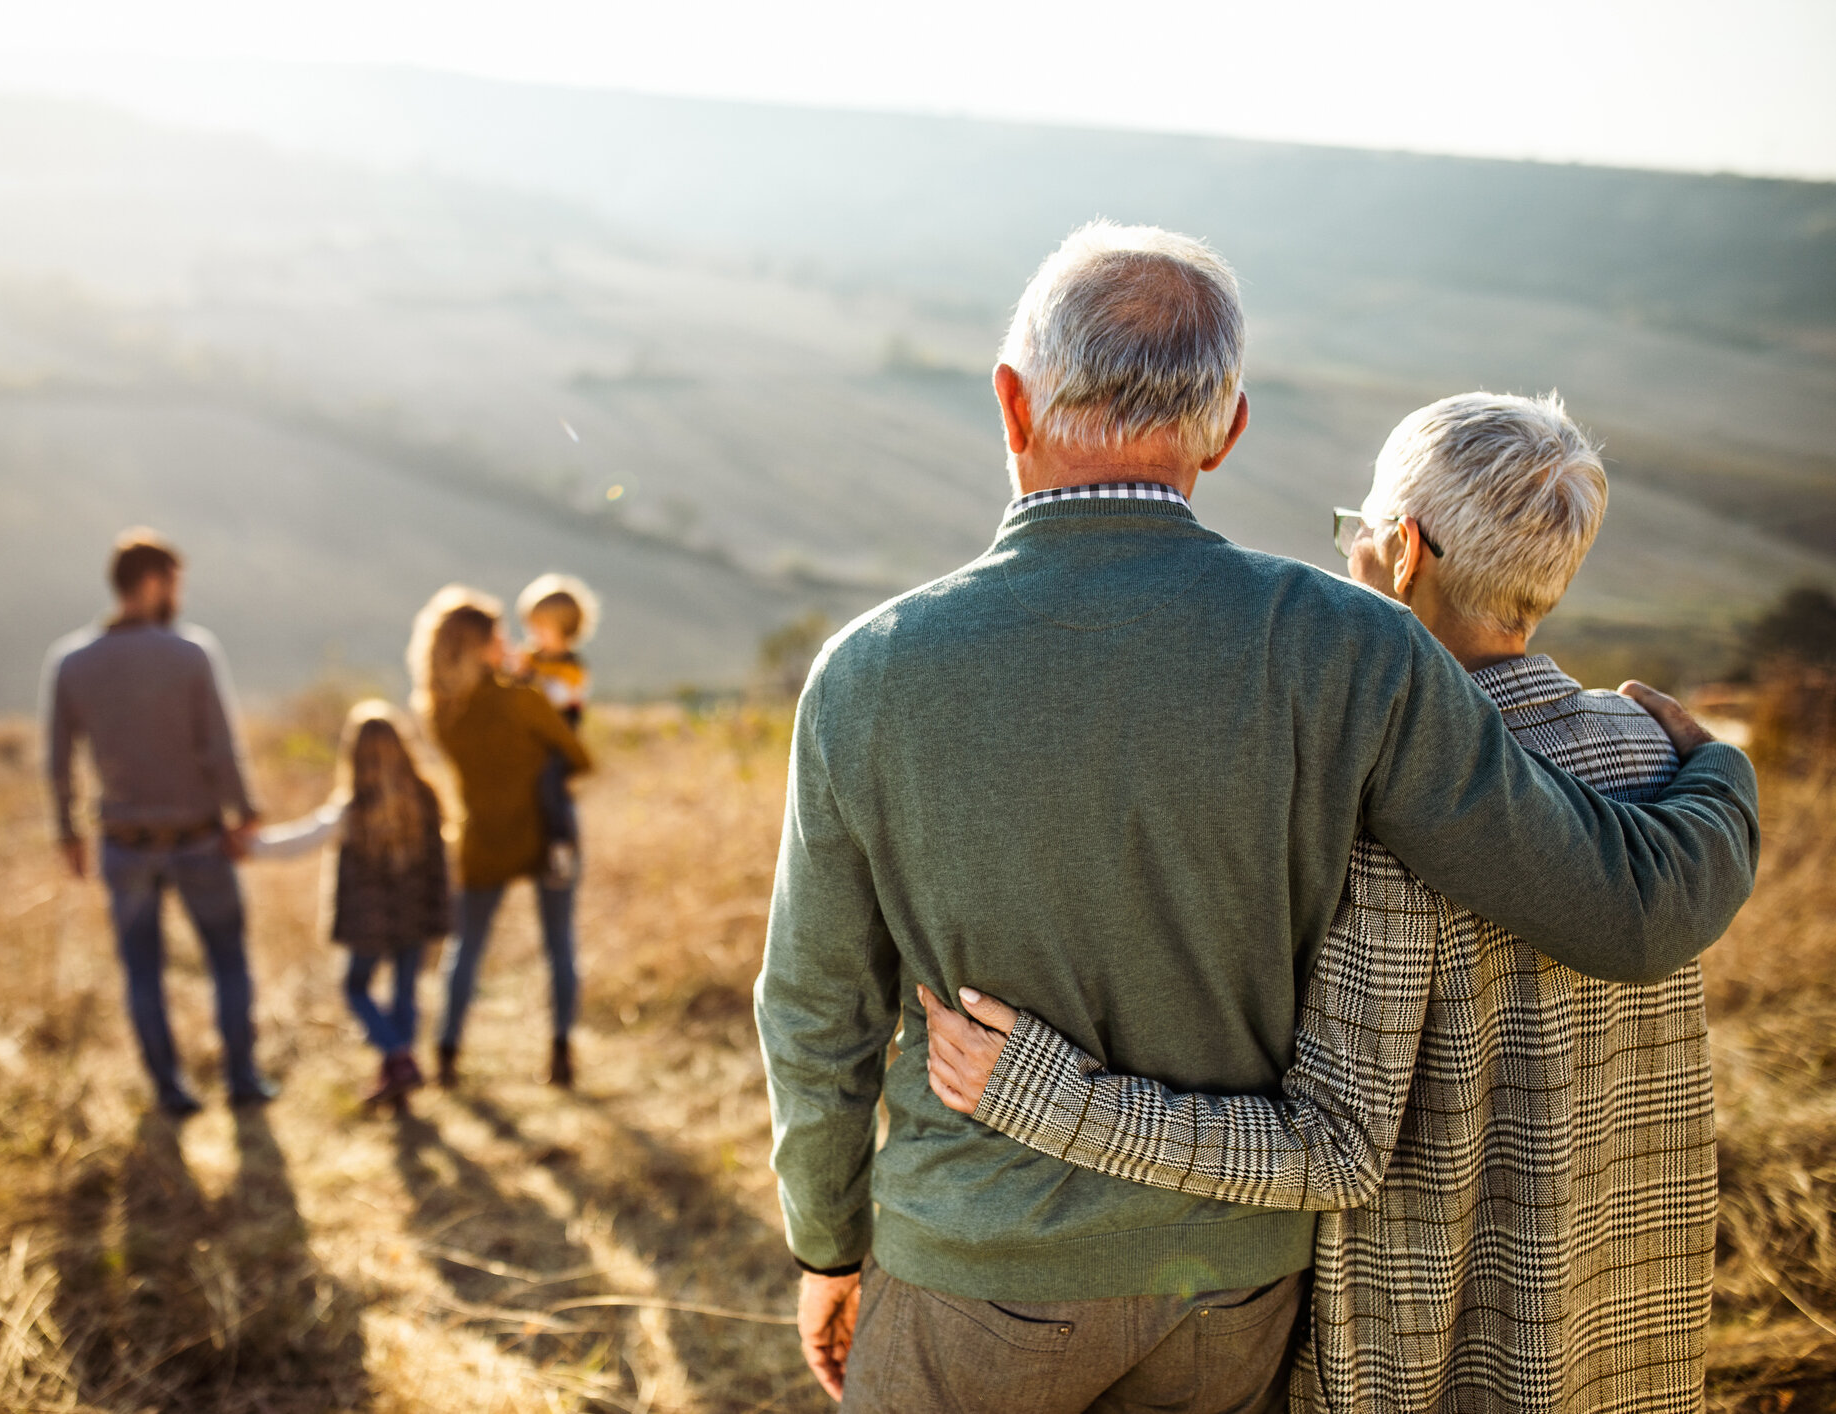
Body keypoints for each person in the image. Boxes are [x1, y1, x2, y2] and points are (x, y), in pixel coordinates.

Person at [752, 223, 1760, 1413]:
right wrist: (1719, 780)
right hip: (1233, 1289)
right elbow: (1616, 907)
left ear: (1012, 405)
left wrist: (828, 1244)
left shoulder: (869, 671)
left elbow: (818, 1013)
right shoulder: (1347, 647)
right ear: (1227, 431)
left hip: (975, 1272)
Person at [920, 392, 1731, 1412]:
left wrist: (1052, 1097)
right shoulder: (1654, 753)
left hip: (1431, 1351)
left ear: (1401, 552)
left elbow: (1336, 1149)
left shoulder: (1378, 806)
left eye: (1353, 532)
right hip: (1624, 1333)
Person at [42, 527, 276, 1116]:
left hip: (122, 843)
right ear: (152, 583)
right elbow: (220, 747)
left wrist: (67, 832)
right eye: (175, 583)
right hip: (197, 836)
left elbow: (57, 757)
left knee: (141, 970)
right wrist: (244, 812)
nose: (179, 597)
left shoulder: (71, 661)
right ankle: (242, 1079)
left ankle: (170, 1090)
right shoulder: (190, 652)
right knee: (227, 959)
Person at [409, 585, 594, 1089]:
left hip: (483, 835)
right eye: (499, 635)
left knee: (465, 947)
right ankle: (560, 1051)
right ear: (481, 645)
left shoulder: (440, 712)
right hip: (547, 831)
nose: (509, 640)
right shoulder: (521, 701)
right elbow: (579, 756)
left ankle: (446, 1053)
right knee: (559, 943)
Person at [254, 701, 453, 1107]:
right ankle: (398, 1068)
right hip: (415, 915)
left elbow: (302, 840)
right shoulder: (425, 797)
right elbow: (441, 863)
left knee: (355, 987)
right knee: (404, 993)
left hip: (369, 923)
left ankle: (397, 1058)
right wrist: (440, 911)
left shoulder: (353, 807)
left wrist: (251, 846)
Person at [512, 573, 601, 888]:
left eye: (541, 627)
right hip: (530, 743)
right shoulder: (531, 659)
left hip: (558, 745)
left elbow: (558, 698)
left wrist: (529, 678)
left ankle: (560, 847)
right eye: (530, 626)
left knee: (550, 786)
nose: (533, 634)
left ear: (565, 629)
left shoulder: (573, 667)